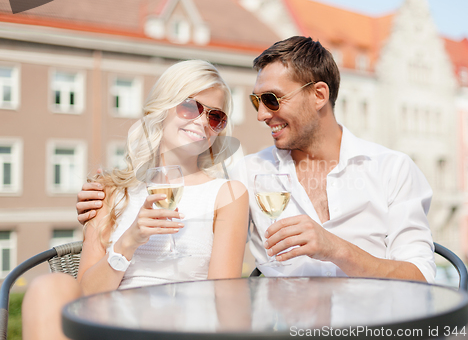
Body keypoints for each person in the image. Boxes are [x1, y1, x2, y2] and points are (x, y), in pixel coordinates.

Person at [77, 36, 435, 283]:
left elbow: (421, 277)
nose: (262, 115)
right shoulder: (246, 173)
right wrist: (101, 199)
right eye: (255, 102)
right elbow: (188, 194)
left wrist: (335, 248)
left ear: (319, 95)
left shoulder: (393, 169)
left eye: (272, 100)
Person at [22, 60, 249, 340]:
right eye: (191, 106)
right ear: (163, 108)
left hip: (183, 329)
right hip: (112, 327)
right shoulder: (110, 191)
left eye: (216, 117)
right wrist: (129, 241)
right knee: (48, 287)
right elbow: (83, 298)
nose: (203, 121)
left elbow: (223, 301)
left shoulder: (228, 194)